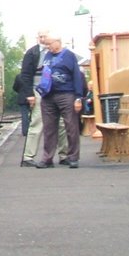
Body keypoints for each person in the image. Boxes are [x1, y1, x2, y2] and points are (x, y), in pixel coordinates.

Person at [35, 33, 85, 169]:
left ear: (58, 42)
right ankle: (47, 159)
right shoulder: (47, 55)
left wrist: (78, 97)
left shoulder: (69, 56)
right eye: (46, 45)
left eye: (49, 44)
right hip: (48, 96)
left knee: (71, 127)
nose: (48, 47)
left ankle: (73, 157)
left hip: (66, 95)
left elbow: (76, 76)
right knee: (49, 128)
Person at [20, 29, 67, 165]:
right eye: (40, 36)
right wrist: (29, 94)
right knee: (37, 122)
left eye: (45, 36)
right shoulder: (32, 53)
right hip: (38, 90)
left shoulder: (59, 52)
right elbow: (26, 74)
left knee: (62, 123)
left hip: (57, 90)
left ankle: (64, 155)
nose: (42, 39)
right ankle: (28, 157)